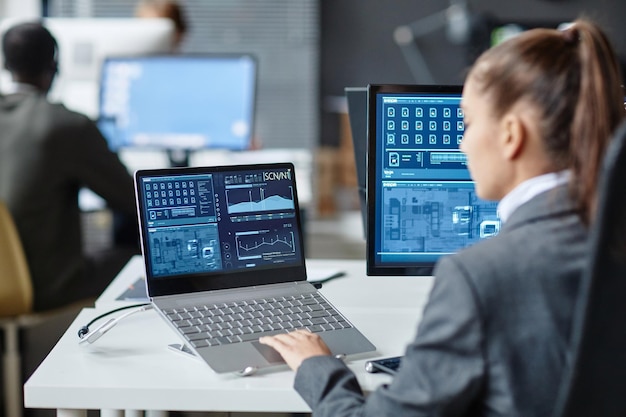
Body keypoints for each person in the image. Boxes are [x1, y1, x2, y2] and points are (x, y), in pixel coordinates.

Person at [260, 18, 625, 416]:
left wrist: (317, 367)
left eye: (467, 123)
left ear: (511, 134)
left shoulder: (481, 275)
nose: (462, 144)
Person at [0, 22, 139, 312]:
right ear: (54, 67)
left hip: (7, 278)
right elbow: (130, 199)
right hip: (44, 286)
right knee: (145, 253)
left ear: (5, 64)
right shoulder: (65, 125)